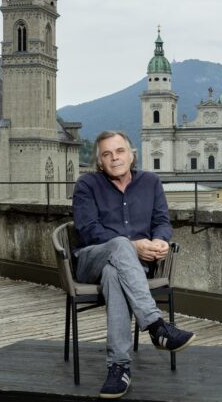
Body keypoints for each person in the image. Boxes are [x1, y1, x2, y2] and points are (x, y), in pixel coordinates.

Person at [72, 130, 195, 399]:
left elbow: (162, 221)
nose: (114, 158)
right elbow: (88, 230)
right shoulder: (87, 185)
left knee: (114, 275)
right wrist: (131, 244)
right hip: (91, 261)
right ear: (100, 162)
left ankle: (119, 367)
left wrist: (161, 240)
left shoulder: (151, 182)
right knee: (118, 245)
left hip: (130, 269)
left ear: (131, 154)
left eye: (119, 151)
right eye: (107, 154)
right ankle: (155, 326)